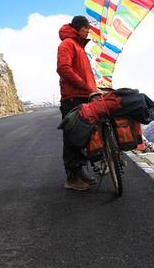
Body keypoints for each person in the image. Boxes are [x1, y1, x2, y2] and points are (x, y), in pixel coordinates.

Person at [57, 15, 98, 191]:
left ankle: (80, 172)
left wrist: (92, 89)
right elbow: (63, 68)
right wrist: (83, 85)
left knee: (81, 135)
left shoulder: (78, 46)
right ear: (78, 28)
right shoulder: (67, 44)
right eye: (86, 27)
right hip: (72, 97)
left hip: (83, 96)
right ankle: (72, 178)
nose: (89, 30)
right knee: (72, 136)